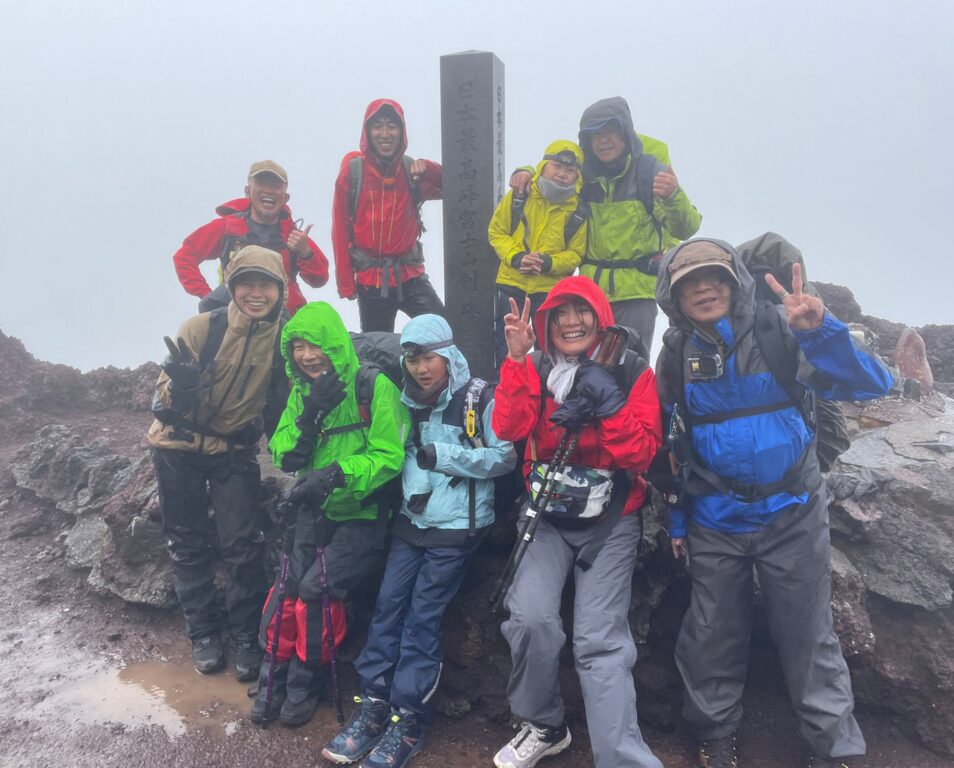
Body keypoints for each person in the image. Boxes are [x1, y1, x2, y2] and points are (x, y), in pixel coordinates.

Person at [653, 239, 893, 768]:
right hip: (714, 518)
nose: (704, 288)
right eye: (689, 282)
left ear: (736, 279)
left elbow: (873, 384)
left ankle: (835, 751)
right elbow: (670, 443)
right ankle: (715, 736)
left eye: (714, 276)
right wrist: (675, 518)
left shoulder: (780, 329)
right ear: (673, 296)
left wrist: (822, 332)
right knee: (712, 633)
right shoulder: (675, 353)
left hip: (793, 512)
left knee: (808, 634)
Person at [319, 314, 516, 767]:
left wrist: (442, 456)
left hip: (457, 529)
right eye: (412, 359)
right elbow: (399, 455)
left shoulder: (478, 397)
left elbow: (504, 457)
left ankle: (409, 718)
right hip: (413, 522)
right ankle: (373, 706)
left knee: (422, 618)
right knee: (389, 606)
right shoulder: (407, 400)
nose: (421, 368)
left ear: (448, 355)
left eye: (429, 358)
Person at [491, 276, 664, 768]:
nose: (571, 322)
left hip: (611, 519)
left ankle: (623, 759)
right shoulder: (539, 368)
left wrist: (608, 403)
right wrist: (518, 360)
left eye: (581, 311)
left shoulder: (633, 373)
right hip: (546, 515)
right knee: (529, 618)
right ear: (545, 324)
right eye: (559, 314)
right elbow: (509, 428)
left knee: (599, 640)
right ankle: (543, 724)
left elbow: (641, 452)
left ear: (601, 316)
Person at [249, 301, 409, 727]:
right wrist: (311, 414)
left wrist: (337, 473)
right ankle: (272, 679)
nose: (306, 355)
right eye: (298, 347)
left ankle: (306, 681)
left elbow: (389, 457)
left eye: (315, 345)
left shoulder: (373, 387)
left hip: (362, 512)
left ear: (334, 344)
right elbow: (283, 453)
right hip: (313, 510)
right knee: (286, 590)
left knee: (316, 590)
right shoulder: (303, 392)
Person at [148, 245, 291, 681]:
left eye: (265, 284)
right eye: (246, 283)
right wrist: (181, 391)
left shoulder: (283, 340)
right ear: (231, 286)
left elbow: (282, 404)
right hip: (177, 446)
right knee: (188, 542)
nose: (255, 292)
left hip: (233, 449)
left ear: (280, 290)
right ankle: (204, 633)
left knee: (243, 547)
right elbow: (161, 400)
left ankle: (248, 635)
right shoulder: (200, 327)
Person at [510, 96, 701, 345]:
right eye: (595, 134)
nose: (603, 140)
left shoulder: (648, 172)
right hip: (589, 293)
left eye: (611, 130)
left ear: (627, 133)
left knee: (630, 367)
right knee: (584, 367)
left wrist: (674, 195)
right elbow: (555, 171)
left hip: (636, 294)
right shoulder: (583, 174)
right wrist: (526, 171)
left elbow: (687, 228)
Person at [332, 99, 444, 332]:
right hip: (370, 280)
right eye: (377, 126)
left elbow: (456, 185)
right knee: (377, 348)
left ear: (402, 131)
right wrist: (345, 284)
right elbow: (339, 230)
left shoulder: (412, 169)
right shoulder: (352, 173)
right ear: (367, 131)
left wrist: (428, 168)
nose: (385, 134)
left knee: (443, 330)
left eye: (392, 126)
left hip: (410, 274)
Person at [173, 159, 329, 315]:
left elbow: (319, 280)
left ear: (286, 197)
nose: (268, 190)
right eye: (261, 183)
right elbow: (184, 256)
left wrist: (306, 253)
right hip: (235, 317)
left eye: (275, 185)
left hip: (285, 321)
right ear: (247, 191)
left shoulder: (295, 237)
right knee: (195, 329)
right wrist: (207, 295)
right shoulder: (226, 228)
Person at [488, 140, 587, 366]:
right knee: (506, 346)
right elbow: (496, 231)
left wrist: (549, 263)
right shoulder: (519, 195)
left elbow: (576, 253)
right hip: (511, 284)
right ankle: (505, 393)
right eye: (556, 167)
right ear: (543, 166)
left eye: (570, 170)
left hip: (550, 291)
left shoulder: (579, 210)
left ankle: (544, 395)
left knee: (549, 350)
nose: (562, 174)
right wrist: (516, 257)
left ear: (578, 176)